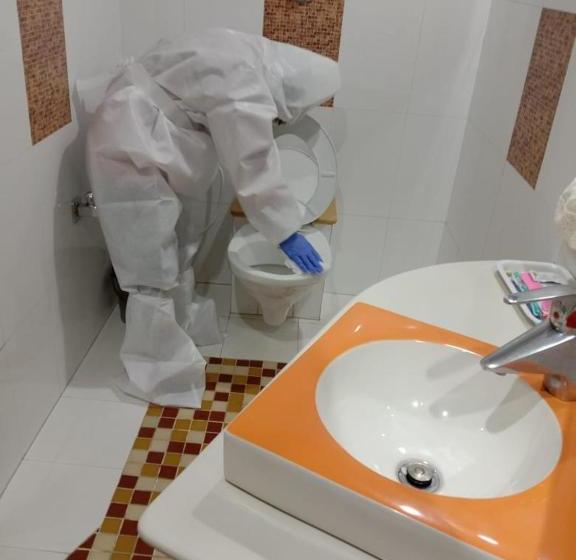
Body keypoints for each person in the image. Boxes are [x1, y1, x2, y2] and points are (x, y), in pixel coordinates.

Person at [87, 28, 341, 407]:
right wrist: (286, 232)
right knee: (150, 268)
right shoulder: (245, 81)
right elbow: (252, 161)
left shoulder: (245, 51)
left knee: (178, 247)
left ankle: (181, 336)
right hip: (129, 144)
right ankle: (158, 375)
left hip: (143, 132)